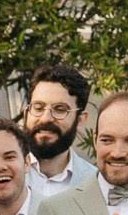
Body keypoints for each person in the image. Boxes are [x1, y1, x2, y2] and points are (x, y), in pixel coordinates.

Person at [22, 64, 98, 195]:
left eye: (60, 109)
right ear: (26, 114)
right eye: (39, 108)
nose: (45, 118)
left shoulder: (96, 184)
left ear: (80, 120)